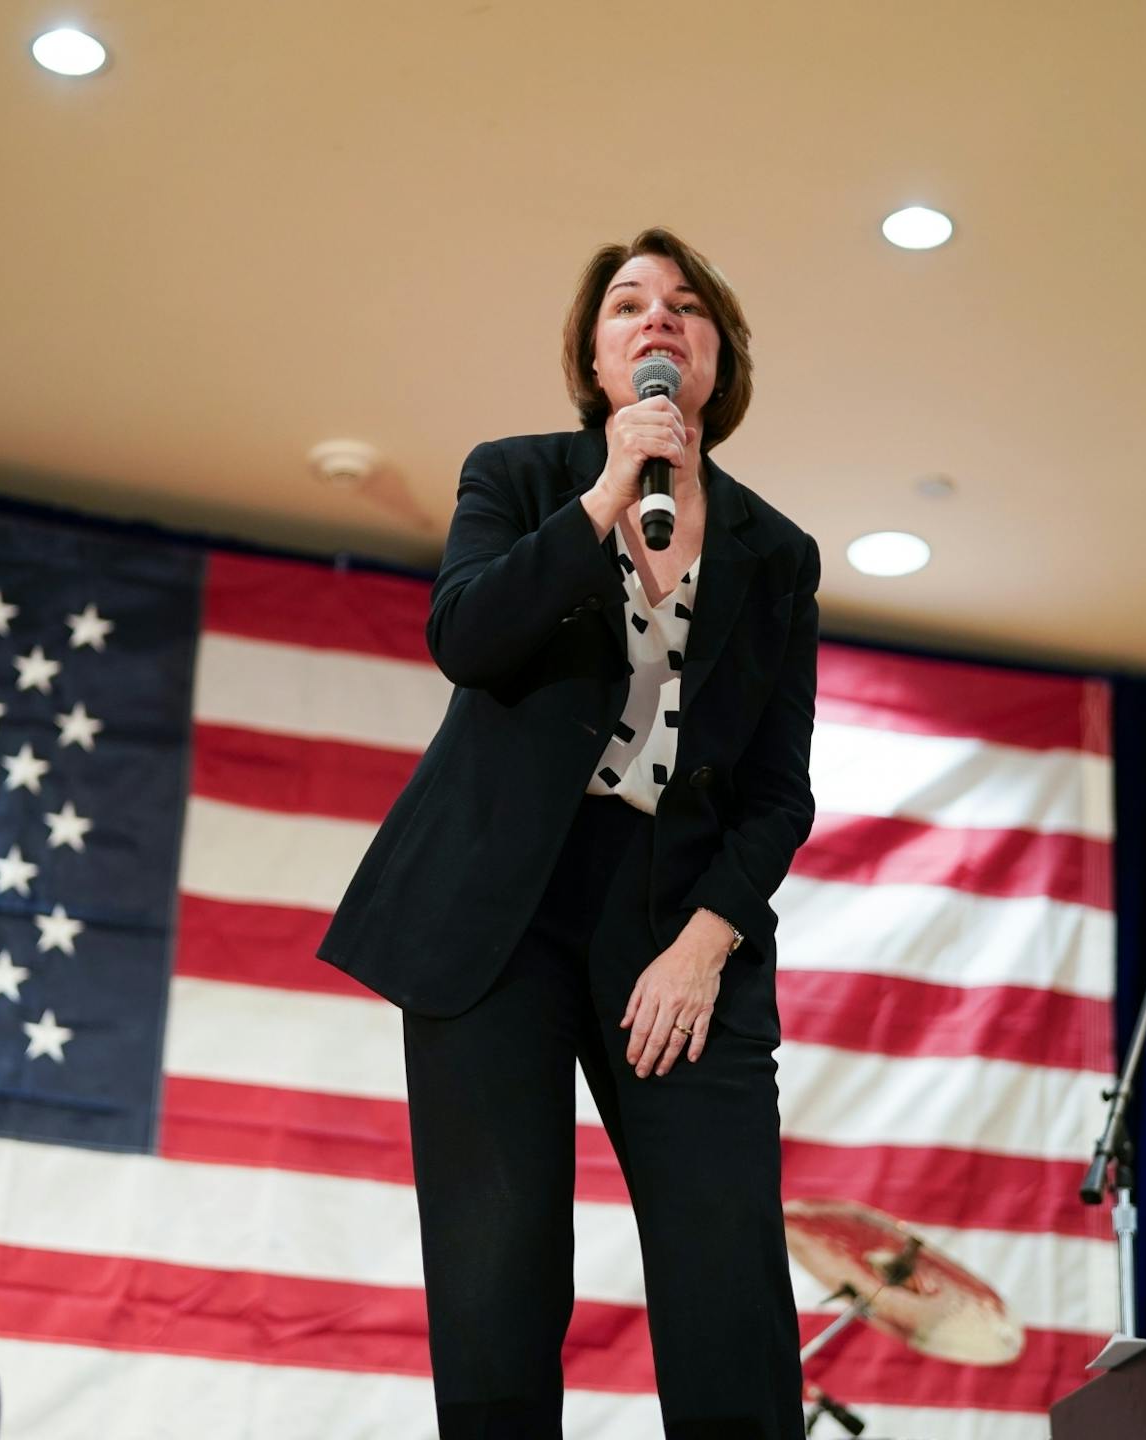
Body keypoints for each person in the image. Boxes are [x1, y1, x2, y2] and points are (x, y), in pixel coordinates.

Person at [319, 226, 821, 1439]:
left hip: (678, 917)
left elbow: (776, 792)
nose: (659, 321)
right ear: (598, 361)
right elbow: (469, 638)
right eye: (629, 307)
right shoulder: (521, 477)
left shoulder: (777, 554)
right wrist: (605, 496)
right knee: (500, 1278)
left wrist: (706, 945)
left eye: (687, 308)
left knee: (725, 1276)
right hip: (498, 907)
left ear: (718, 358)